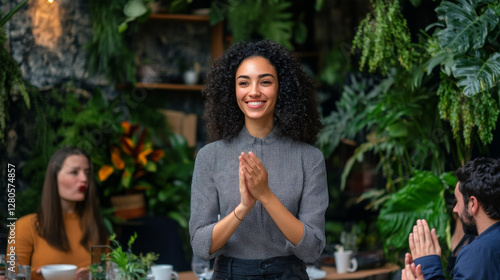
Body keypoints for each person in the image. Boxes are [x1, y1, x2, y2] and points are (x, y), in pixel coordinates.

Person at [189, 40, 328, 279]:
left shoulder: (309, 158)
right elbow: (201, 247)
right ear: (232, 90)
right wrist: (243, 208)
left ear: (281, 88)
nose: (254, 91)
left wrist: (265, 195)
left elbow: (312, 249)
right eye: (244, 82)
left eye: (265, 81)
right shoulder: (210, 157)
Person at [8, 147, 108, 280]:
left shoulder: (95, 226)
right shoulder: (24, 226)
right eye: (74, 172)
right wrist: (39, 276)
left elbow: (110, 271)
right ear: (54, 178)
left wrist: (91, 275)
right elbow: (12, 275)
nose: (84, 179)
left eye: (87, 173)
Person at [402, 157, 500, 280]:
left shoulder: (479, 253)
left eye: (457, 202)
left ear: (472, 204)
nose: (455, 209)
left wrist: (429, 270)